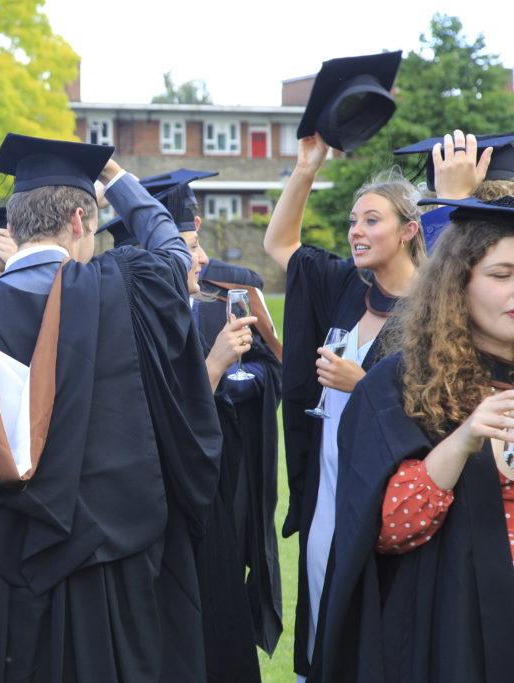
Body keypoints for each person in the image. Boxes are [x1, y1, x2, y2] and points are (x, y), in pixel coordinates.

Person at [0, 133, 222, 682]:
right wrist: (115, 177)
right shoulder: (124, 285)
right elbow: (172, 250)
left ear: (15, 222)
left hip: (7, 574)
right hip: (118, 565)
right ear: (80, 221)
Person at [318, 195, 514, 682]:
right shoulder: (401, 383)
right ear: (458, 283)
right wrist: (465, 438)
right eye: (502, 275)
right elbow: (387, 529)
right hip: (453, 631)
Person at [106, 176, 284, 680]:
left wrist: (245, 383)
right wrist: (213, 366)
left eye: (196, 244)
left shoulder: (218, 305)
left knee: (221, 631)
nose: (200, 260)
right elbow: (158, 427)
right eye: (184, 248)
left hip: (216, 501)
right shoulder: (122, 330)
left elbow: (274, 367)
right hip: (163, 517)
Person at [263, 134, 424, 678]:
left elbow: (439, 415)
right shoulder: (346, 288)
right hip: (328, 486)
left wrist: (364, 386)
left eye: (372, 220)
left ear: (409, 229)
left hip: (386, 500)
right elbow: (280, 246)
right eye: (354, 221)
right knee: (322, 623)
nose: (357, 231)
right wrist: (306, 168)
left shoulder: (431, 313)